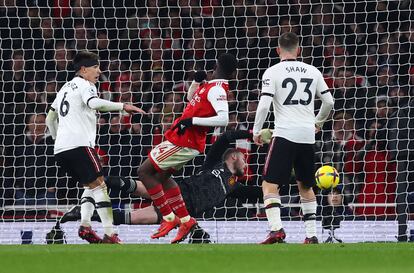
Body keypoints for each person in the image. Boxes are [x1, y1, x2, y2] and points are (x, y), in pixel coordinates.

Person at [56, 129, 268, 243]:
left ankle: (80, 214)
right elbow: (227, 136)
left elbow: (263, 194)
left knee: (130, 219)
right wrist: (252, 135)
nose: (245, 164)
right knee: (131, 186)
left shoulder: (235, 187)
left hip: (183, 213)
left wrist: (282, 180)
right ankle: (97, 184)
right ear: (232, 157)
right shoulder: (213, 164)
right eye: (243, 159)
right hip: (177, 192)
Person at [45, 51, 145, 244]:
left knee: (90, 186)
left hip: (61, 150)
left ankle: (85, 227)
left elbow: (50, 118)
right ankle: (110, 234)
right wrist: (122, 105)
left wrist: (59, 139)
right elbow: (93, 103)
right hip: (79, 145)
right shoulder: (86, 85)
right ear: (83, 69)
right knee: (100, 187)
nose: (99, 71)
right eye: (95, 67)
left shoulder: (64, 88)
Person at [137, 53, 238, 243]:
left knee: (144, 172)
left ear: (216, 65)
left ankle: (169, 218)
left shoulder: (218, 89)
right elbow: (192, 98)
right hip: (183, 138)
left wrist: (192, 121)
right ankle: (186, 221)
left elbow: (223, 119)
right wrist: (196, 81)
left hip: (185, 141)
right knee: (163, 178)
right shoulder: (209, 85)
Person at [252, 32, 334, 244]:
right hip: (307, 135)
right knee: (306, 186)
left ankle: (276, 230)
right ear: (299, 50)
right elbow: (329, 102)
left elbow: (264, 105)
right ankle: (312, 234)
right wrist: (318, 123)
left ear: (278, 50)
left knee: (269, 184)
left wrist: (256, 130)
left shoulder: (272, 71)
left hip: (285, 133)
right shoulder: (313, 71)